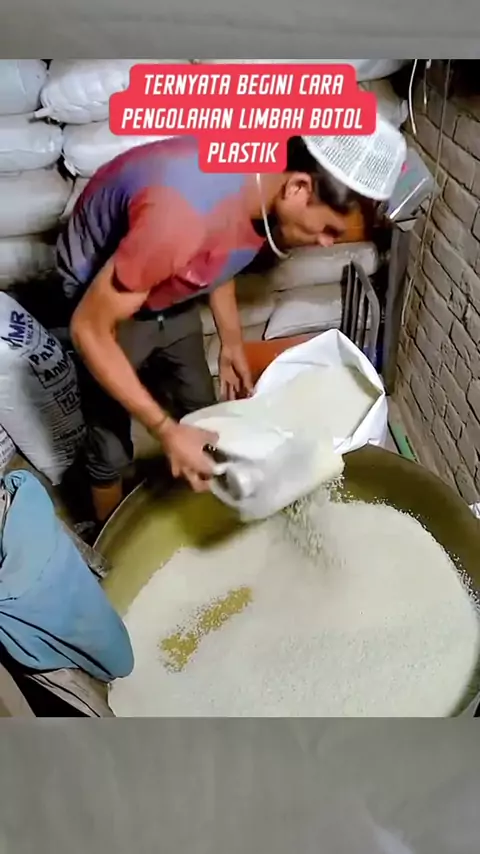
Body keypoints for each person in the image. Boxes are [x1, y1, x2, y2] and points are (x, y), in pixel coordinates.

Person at [56, 129, 403, 525]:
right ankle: (106, 537)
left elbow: (221, 245)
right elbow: (88, 329)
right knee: (110, 440)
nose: (326, 243)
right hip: (104, 295)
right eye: (329, 229)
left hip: (167, 275)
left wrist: (232, 341)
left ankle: (207, 494)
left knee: (200, 400)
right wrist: (164, 429)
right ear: (298, 188)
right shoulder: (178, 218)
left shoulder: (263, 181)